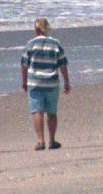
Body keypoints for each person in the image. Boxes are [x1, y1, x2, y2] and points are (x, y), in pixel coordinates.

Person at [21, 17, 70, 150]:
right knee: (52, 112)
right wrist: (66, 81)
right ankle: (52, 140)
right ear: (47, 28)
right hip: (51, 82)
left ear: (35, 29)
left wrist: (24, 81)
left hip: (35, 82)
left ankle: (40, 140)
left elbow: (24, 64)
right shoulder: (55, 43)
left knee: (37, 111)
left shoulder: (30, 44)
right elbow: (62, 64)